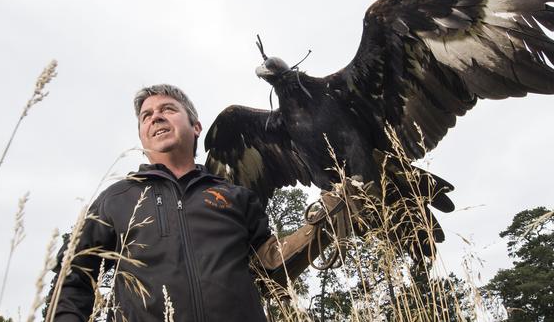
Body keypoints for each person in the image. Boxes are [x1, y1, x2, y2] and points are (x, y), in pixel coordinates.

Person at [50, 84, 351, 322]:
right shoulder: (116, 199)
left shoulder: (235, 196)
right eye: (146, 115)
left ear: (196, 126)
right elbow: (73, 277)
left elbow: (269, 268)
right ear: (142, 134)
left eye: (168, 109)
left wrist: (322, 228)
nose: (156, 116)